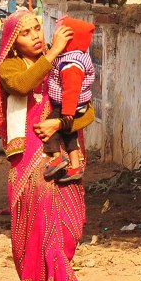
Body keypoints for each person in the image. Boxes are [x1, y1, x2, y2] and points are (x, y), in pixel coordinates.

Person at [0, 11, 95, 281]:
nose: (35, 35)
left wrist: (59, 122)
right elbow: (22, 85)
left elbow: (86, 111)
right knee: (37, 233)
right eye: (26, 32)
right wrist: (53, 52)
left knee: (70, 230)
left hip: (63, 156)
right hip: (29, 162)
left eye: (37, 28)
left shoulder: (62, 66)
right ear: (13, 43)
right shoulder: (12, 66)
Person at [42, 16, 96, 183]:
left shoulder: (71, 63)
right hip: (76, 105)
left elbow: (72, 88)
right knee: (69, 135)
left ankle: (57, 157)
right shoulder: (78, 56)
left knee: (51, 127)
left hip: (69, 105)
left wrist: (67, 112)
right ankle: (75, 166)